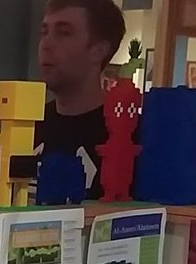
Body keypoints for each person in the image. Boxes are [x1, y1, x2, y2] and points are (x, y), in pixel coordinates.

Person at [35, 0, 127, 200]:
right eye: (44, 32)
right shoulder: (27, 125)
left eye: (64, 33)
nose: (46, 45)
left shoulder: (125, 135)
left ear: (98, 50)